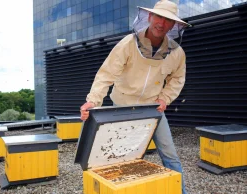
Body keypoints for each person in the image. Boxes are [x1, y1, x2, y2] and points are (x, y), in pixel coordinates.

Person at [80, 0, 190, 193]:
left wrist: (164, 99)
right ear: (150, 16)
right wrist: (93, 100)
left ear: (174, 25)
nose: (162, 23)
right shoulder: (128, 44)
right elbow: (106, 74)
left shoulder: (177, 53)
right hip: (121, 108)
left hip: (152, 110)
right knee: (121, 157)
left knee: (170, 155)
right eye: (159, 17)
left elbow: (177, 80)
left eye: (168, 20)